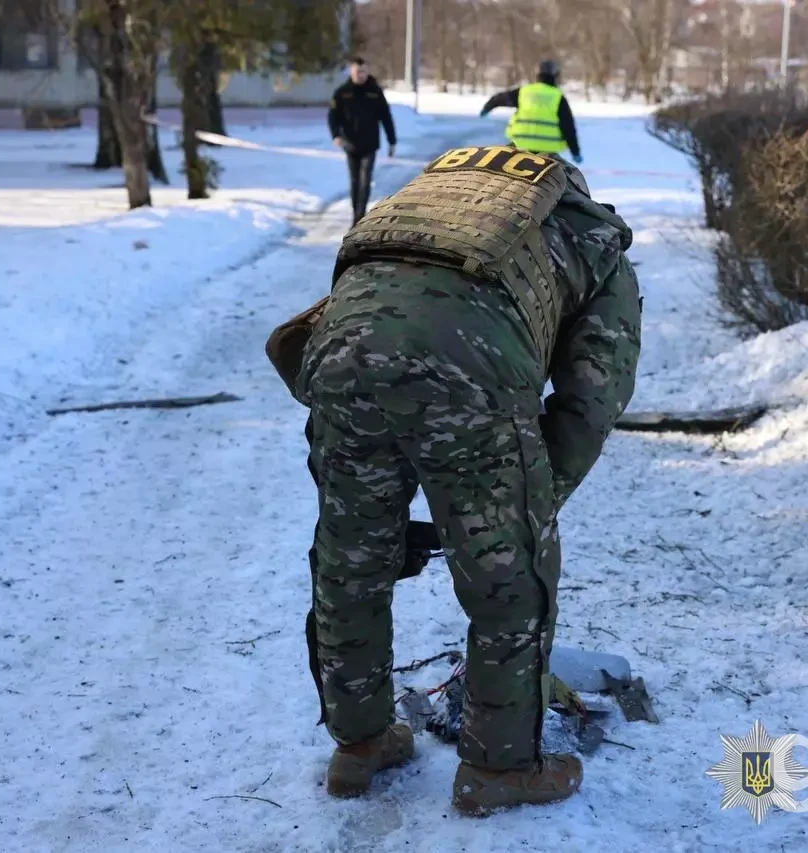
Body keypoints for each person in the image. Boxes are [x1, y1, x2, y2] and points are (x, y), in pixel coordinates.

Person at [272, 145, 640, 816]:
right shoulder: (593, 234)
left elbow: (365, 287)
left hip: (337, 354)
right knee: (507, 584)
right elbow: (593, 393)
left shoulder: (433, 194)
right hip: (468, 365)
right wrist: (529, 507)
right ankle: (498, 769)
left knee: (350, 561)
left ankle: (360, 744)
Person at [327, 57, 397, 225]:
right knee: (354, 181)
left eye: (363, 71)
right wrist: (335, 135)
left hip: (370, 144)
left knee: (365, 180)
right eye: (357, 71)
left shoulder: (375, 92)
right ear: (351, 71)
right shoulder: (342, 92)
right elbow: (333, 116)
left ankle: (360, 216)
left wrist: (392, 140)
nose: (360, 74)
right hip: (350, 144)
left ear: (367, 72)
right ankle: (355, 213)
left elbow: (386, 117)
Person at [480, 60, 582, 164]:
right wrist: (575, 152)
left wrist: (487, 108)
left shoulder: (524, 91)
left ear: (537, 75)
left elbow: (499, 99)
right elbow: (568, 126)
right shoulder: (557, 97)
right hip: (547, 150)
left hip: (520, 144)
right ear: (555, 76)